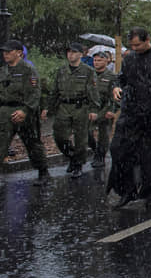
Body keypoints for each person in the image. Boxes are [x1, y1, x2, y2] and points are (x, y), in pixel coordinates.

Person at [107, 28, 151, 207]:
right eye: (132, 45)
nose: (135, 48)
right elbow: (121, 78)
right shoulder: (129, 58)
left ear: (147, 40)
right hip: (130, 113)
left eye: (138, 45)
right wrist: (116, 87)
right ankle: (126, 189)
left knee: (150, 155)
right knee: (119, 149)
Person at [43, 42, 100, 178]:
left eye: (74, 52)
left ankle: (78, 164)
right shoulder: (62, 70)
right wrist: (47, 108)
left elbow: (93, 92)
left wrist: (94, 109)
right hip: (63, 106)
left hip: (81, 107)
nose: (70, 55)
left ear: (81, 54)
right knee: (59, 136)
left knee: (81, 138)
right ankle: (72, 156)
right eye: (69, 52)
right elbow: (54, 92)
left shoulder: (88, 71)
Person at [0, 40, 50, 185]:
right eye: (4, 52)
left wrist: (25, 110)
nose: (5, 54)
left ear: (19, 53)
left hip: (24, 111)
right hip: (5, 111)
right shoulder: (3, 70)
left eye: (9, 51)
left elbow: (35, 93)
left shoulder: (28, 69)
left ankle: (43, 172)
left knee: (33, 144)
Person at [89, 50, 119, 168]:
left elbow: (117, 96)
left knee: (103, 135)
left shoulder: (112, 77)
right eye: (95, 60)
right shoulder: (90, 75)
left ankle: (100, 156)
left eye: (99, 60)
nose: (96, 62)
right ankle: (95, 149)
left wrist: (112, 110)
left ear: (107, 61)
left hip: (105, 107)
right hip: (91, 109)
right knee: (86, 133)